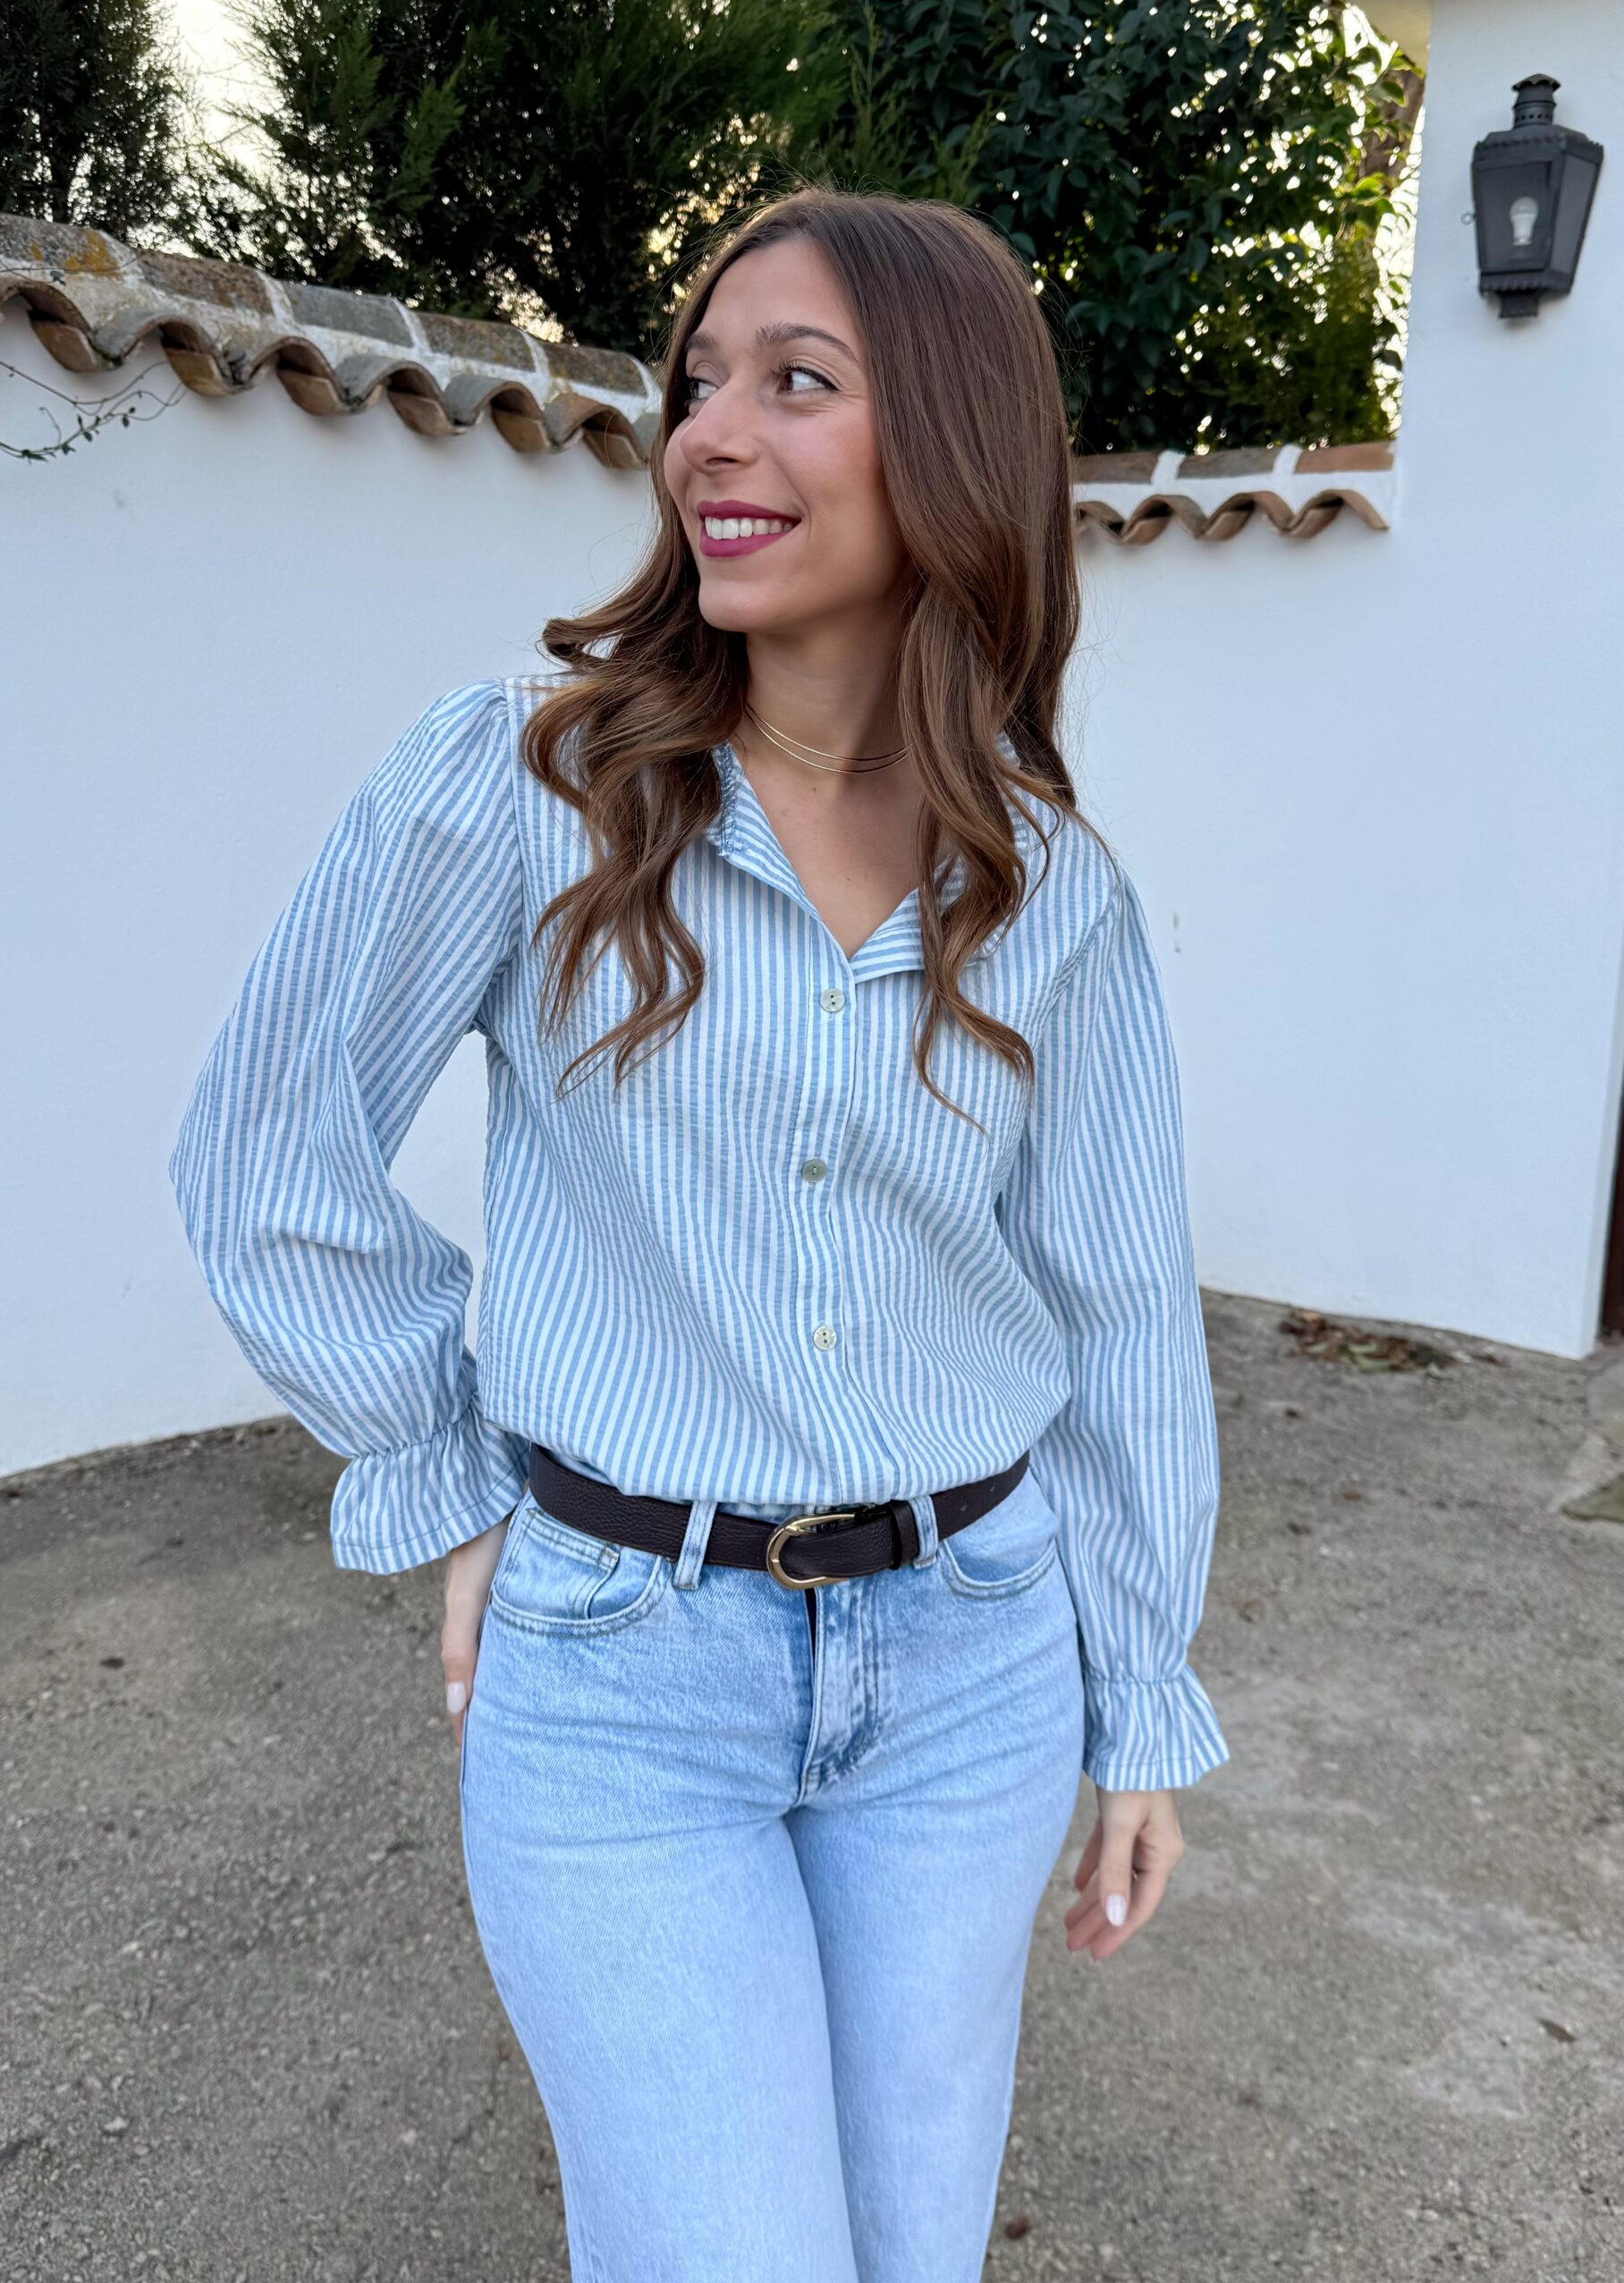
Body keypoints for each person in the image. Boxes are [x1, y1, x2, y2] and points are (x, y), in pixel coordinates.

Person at [169, 184, 1230, 2283]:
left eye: (797, 381)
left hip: (975, 1664)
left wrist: (1141, 1701)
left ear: (953, 444)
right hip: (624, 1676)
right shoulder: (527, 783)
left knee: (911, 2250)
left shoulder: (1050, 892)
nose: (711, 434)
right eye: (702, 382)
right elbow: (266, 1148)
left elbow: (1118, 1306)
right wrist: (449, 1466)